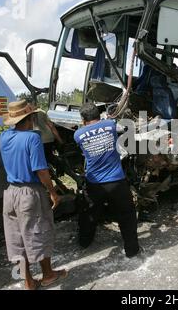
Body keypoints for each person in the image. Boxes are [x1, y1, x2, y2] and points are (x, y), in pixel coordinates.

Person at [0, 100, 67, 290]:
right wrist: (53, 192)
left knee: (16, 239)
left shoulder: (4, 136)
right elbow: (41, 170)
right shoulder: (33, 138)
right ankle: (48, 275)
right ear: (30, 117)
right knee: (40, 231)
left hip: (10, 193)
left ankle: (29, 282)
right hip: (30, 193)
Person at [74, 103, 140, 258]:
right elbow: (126, 128)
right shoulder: (110, 125)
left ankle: (84, 242)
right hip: (117, 181)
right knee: (127, 215)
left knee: (89, 214)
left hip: (94, 183)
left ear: (83, 119)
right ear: (99, 114)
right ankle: (132, 250)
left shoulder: (78, 134)